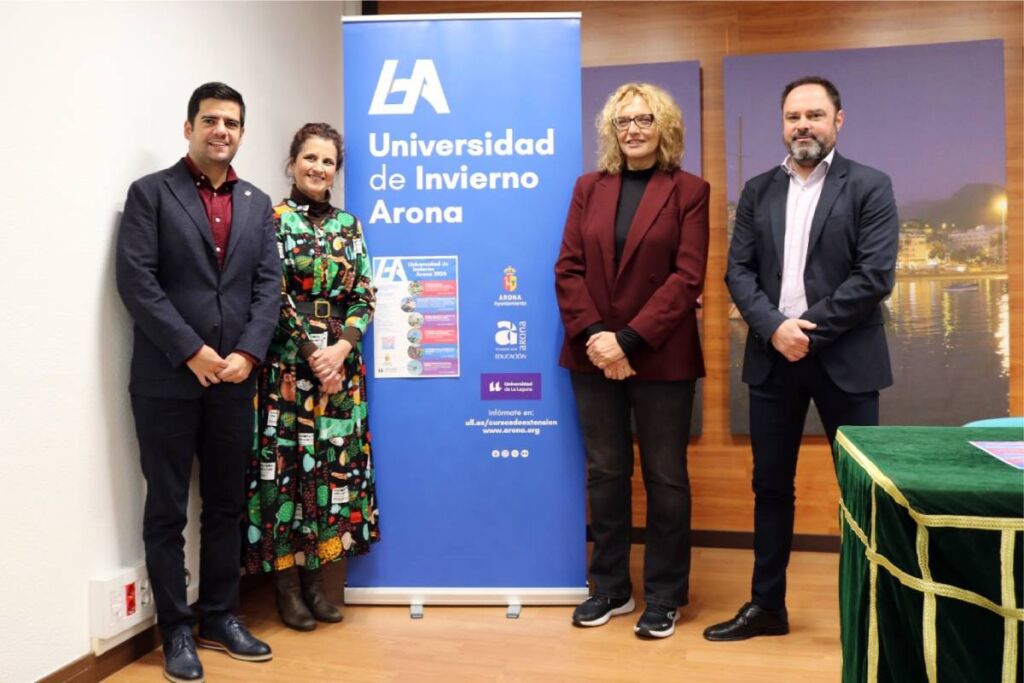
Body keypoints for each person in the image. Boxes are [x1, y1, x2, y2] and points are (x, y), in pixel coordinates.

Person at [706, 76, 898, 641]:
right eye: (793, 117)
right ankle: (767, 607)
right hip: (772, 358)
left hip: (846, 358)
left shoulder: (870, 186)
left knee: (862, 492)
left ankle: (873, 613)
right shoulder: (758, 189)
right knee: (769, 487)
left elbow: (874, 276)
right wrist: (774, 328)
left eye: (815, 114)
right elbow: (736, 271)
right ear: (783, 124)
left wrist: (807, 333)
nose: (803, 126)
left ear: (839, 120)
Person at [116, 82, 278, 681]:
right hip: (166, 380)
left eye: (232, 123)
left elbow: (268, 288)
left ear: (241, 132)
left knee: (226, 507)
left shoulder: (259, 204)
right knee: (165, 509)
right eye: (210, 120)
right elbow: (137, 282)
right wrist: (192, 351)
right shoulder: (151, 195)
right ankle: (176, 631)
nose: (222, 131)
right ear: (188, 128)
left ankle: (221, 616)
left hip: (236, 380)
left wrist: (247, 354)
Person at [555, 83, 709, 639]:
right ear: (611, 131)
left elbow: (686, 277)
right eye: (623, 122)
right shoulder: (588, 188)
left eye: (645, 120)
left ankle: (665, 595)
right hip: (592, 352)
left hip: (660, 353)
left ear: (663, 127)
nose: (634, 130)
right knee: (605, 471)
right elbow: (568, 268)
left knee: (666, 476)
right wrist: (600, 337)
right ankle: (611, 588)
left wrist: (629, 341)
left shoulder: (689, 191)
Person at [242, 122, 379, 631]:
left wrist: (340, 349)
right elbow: (269, 293)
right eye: (310, 158)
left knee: (329, 469)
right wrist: (310, 352)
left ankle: (319, 584)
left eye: (328, 162)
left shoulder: (350, 225)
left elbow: (364, 294)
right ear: (293, 162)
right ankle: (286, 589)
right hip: (287, 368)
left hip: (340, 370)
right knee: (286, 475)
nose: (319, 168)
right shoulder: (270, 220)